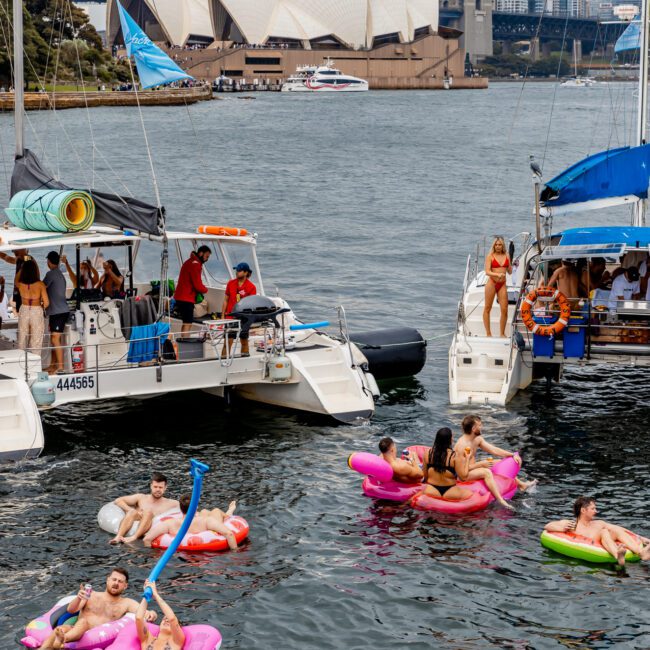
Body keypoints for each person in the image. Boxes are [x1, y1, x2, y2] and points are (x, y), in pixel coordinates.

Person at [40, 568, 156, 648]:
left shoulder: (126, 603)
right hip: (74, 630)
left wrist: (151, 613)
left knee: (83, 623)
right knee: (60, 628)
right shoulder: (91, 594)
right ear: (107, 580)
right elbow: (71, 610)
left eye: (120, 582)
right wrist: (78, 598)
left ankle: (63, 640)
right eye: (114, 579)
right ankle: (49, 645)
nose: (116, 583)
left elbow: (141, 611)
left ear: (125, 586)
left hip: (96, 639)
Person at [454, 415, 537, 510]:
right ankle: (501, 500)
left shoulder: (477, 439)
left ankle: (521, 485)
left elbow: (493, 450)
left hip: (473, 468)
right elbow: (461, 474)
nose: (482, 427)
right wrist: (481, 464)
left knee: (499, 462)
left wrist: (512, 455)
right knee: (486, 472)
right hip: (465, 476)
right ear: (473, 428)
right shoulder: (461, 446)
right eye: (480, 425)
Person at [545, 497, 650, 567]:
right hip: (593, 544)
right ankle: (618, 556)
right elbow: (548, 526)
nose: (596, 511)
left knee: (615, 529)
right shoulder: (571, 525)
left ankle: (641, 553)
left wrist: (640, 537)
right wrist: (562, 528)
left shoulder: (599, 523)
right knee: (604, 532)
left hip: (605, 540)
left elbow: (621, 530)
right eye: (593, 508)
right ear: (583, 510)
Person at [144, 494, 239, 551]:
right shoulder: (205, 521)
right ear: (195, 507)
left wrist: (154, 555)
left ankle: (228, 513)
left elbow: (147, 539)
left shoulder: (170, 523)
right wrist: (235, 552)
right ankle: (229, 513)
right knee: (215, 511)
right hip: (208, 558)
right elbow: (229, 534)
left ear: (180, 508)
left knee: (205, 512)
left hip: (180, 558)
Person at [109, 473, 179, 545]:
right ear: (151, 486)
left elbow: (187, 509)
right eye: (155, 487)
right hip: (137, 520)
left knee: (148, 512)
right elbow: (118, 500)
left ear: (165, 488)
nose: (158, 489)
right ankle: (118, 537)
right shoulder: (141, 498)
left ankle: (134, 537)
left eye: (160, 487)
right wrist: (129, 509)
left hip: (151, 528)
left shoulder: (171, 503)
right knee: (132, 512)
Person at [421, 427, 472, 500]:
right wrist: (467, 459)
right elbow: (463, 478)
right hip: (451, 491)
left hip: (431, 490)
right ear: (450, 440)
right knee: (471, 494)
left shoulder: (427, 453)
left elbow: (425, 476)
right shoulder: (455, 456)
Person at [135, 581, 185, 650]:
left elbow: (172, 618)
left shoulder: (177, 641)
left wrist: (155, 594)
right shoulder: (148, 640)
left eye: (168, 620)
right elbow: (139, 618)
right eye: (164, 619)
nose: (167, 620)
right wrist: (147, 594)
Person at [173, 245, 210, 338]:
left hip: (180, 297)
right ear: (201, 253)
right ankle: (185, 343)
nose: (207, 259)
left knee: (185, 322)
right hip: (186, 298)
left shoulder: (189, 262)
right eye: (206, 256)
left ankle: (182, 341)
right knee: (188, 323)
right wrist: (205, 289)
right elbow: (197, 285)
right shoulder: (196, 265)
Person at [221, 262, 257, 356]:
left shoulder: (251, 287)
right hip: (230, 317)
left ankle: (244, 360)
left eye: (239, 270)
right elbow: (225, 300)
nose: (236, 272)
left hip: (243, 318)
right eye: (236, 270)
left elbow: (251, 305)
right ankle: (223, 361)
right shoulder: (230, 283)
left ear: (245, 273)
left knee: (244, 341)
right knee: (227, 343)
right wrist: (222, 315)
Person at [43, 252, 69, 374]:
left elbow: (41, 287)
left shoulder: (51, 274)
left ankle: (60, 367)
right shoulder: (59, 274)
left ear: (49, 261)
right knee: (54, 339)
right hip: (57, 311)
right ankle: (53, 365)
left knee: (55, 339)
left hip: (59, 312)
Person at [16, 259, 49, 351]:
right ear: (34, 271)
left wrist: (21, 268)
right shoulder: (40, 285)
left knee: (22, 338)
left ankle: (21, 360)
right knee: (36, 339)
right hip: (36, 310)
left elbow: (16, 280)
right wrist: (41, 306)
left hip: (24, 310)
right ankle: (34, 362)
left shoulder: (20, 284)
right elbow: (47, 303)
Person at [483, 237, 511, 338]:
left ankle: (502, 333)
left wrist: (513, 266)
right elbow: (487, 271)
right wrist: (497, 275)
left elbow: (510, 271)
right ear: (494, 246)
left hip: (502, 284)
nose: (498, 246)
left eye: (500, 245)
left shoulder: (507, 255)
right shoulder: (490, 256)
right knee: (487, 308)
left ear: (503, 245)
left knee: (504, 309)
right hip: (492, 283)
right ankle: (488, 333)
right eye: (496, 245)